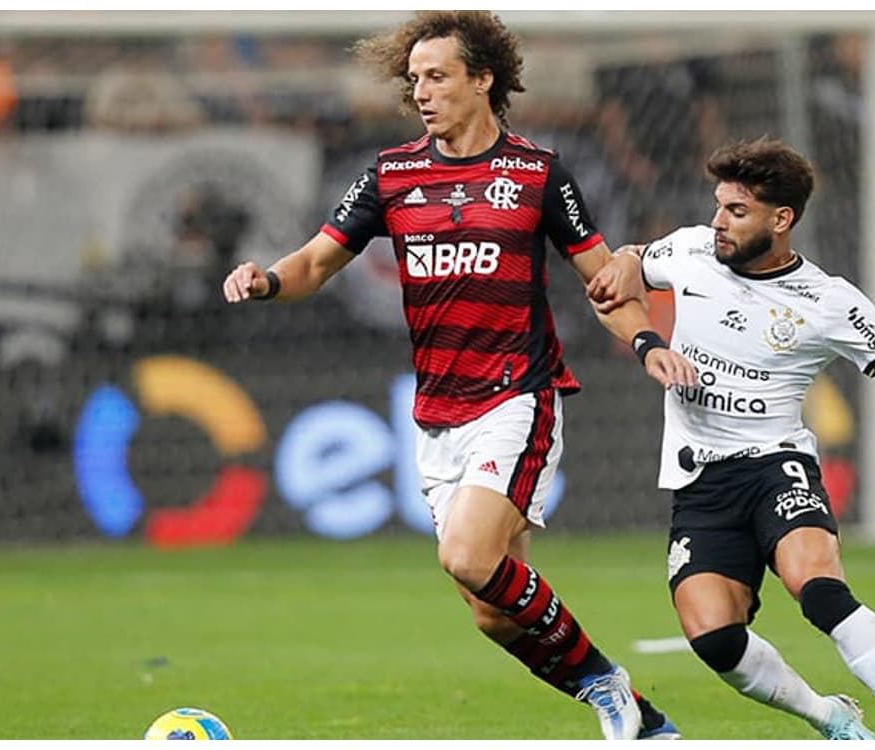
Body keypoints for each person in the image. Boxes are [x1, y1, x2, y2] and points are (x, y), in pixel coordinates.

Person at [221, 11, 695, 740]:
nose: (422, 92)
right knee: (488, 608)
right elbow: (314, 263)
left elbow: (605, 281)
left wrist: (644, 344)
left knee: (468, 556)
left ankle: (607, 685)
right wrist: (265, 280)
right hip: (436, 411)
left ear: (483, 79)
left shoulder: (537, 175)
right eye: (414, 79)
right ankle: (650, 723)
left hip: (518, 396)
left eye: (437, 76)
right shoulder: (392, 174)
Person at [588, 137, 875, 740]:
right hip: (700, 478)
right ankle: (830, 717)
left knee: (818, 589)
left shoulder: (828, 301)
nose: (719, 222)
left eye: (737, 212)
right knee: (715, 637)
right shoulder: (690, 249)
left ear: (781, 219)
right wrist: (641, 313)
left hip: (776, 464)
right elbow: (627, 270)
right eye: (719, 206)